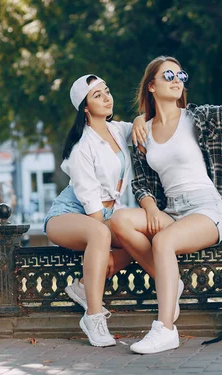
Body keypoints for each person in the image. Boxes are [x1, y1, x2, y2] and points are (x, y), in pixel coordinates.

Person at [111, 49, 222, 354]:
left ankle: (166, 328)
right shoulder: (142, 131)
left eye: (180, 75)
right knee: (119, 221)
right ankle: (168, 279)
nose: (176, 80)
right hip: (171, 210)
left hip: (206, 209)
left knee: (163, 242)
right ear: (151, 86)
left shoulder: (200, 117)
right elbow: (141, 182)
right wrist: (151, 207)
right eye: (167, 75)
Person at [44, 74, 146, 347]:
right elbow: (92, 210)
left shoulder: (114, 130)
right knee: (102, 234)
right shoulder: (81, 147)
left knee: (139, 239)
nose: (107, 97)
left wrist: (137, 119)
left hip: (106, 214)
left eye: (107, 91)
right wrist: (108, 233)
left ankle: (82, 286)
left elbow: (142, 122)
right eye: (97, 95)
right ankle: (94, 316)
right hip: (68, 214)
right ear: (85, 108)